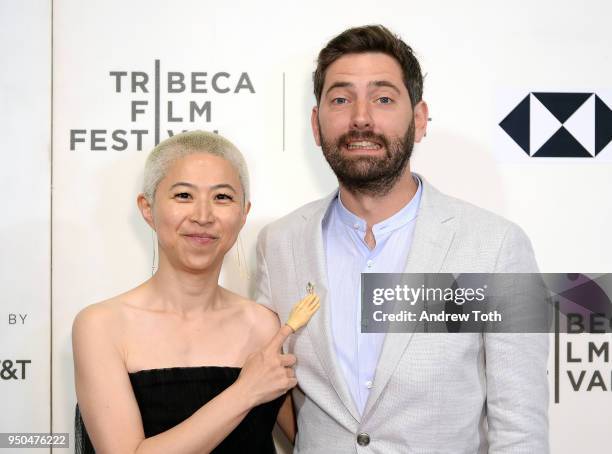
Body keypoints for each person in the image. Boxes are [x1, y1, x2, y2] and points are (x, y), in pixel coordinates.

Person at [255, 25, 549, 452]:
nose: (360, 117)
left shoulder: (496, 246)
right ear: (316, 125)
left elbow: (520, 426)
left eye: (383, 98)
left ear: (420, 119)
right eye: (340, 98)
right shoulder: (279, 243)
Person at [72, 130, 319, 454]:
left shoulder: (263, 324)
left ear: (243, 213)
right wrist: (244, 393)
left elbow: (312, 438)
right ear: (148, 208)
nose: (203, 216)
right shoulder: (102, 326)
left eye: (222, 198)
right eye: (184, 196)